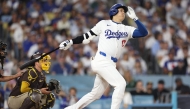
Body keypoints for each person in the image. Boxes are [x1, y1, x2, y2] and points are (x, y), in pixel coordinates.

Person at [59, 3, 148, 109]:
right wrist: (70, 42)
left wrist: (135, 18)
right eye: (120, 10)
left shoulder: (126, 29)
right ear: (113, 12)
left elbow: (144, 32)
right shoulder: (104, 24)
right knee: (121, 84)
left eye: (124, 10)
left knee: (95, 94)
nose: (123, 12)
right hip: (102, 60)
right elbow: (86, 36)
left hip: (111, 64)